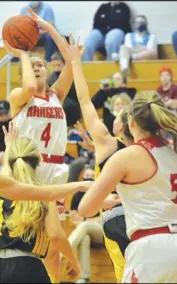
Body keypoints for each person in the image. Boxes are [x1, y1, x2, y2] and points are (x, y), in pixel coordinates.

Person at [3, 8, 78, 281]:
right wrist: (23, 52)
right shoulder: (19, 97)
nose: (37, 69)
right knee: (31, 236)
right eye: (32, 67)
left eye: (40, 66)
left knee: (53, 241)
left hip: (56, 170)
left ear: (47, 71)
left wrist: (48, 28)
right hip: (29, 170)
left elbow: (72, 63)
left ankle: (54, 280)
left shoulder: (56, 95)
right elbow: (31, 89)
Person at [78, 91, 177, 283]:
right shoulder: (174, 149)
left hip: (152, 249)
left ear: (131, 123)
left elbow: (86, 208)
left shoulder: (127, 156)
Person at [0, 124, 92, 283]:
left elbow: (6, 171)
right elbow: (56, 236)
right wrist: (74, 262)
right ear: (40, 161)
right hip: (26, 266)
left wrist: (10, 146)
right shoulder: (41, 194)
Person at [67, 37, 134, 282]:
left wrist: (75, 62)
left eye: (119, 111)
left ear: (123, 126)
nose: (114, 113)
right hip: (147, 220)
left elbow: (85, 101)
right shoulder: (149, 148)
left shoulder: (107, 141)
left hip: (117, 219)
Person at [48, 51, 81, 127]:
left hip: (72, 104)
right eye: (54, 66)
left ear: (64, 64)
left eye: (58, 65)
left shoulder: (72, 74)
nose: (56, 68)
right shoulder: (51, 77)